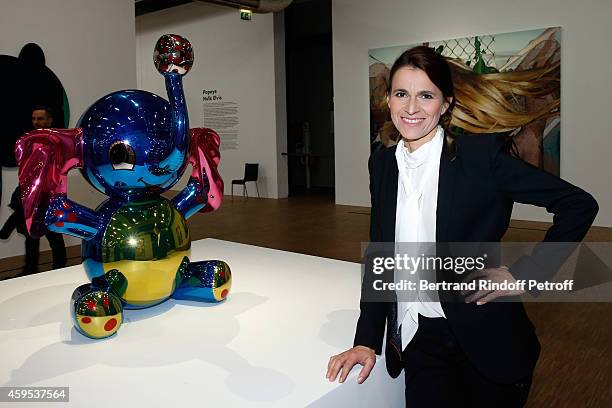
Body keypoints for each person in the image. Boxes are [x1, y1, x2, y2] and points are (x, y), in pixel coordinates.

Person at [326, 46, 598, 407]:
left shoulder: (479, 156)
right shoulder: (382, 163)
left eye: (426, 95)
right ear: (388, 99)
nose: (411, 108)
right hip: (420, 340)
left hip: (487, 342)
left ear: (446, 103)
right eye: (401, 94)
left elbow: (578, 205)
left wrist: (526, 273)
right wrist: (367, 339)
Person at [0, 106, 67, 275]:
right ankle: (30, 270)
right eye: (34, 119)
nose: (36, 122)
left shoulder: (57, 140)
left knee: (53, 234)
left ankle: (59, 269)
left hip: (49, 194)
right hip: (32, 193)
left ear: (50, 120)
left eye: (40, 119)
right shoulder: (30, 140)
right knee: (31, 234)